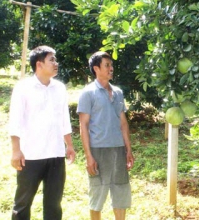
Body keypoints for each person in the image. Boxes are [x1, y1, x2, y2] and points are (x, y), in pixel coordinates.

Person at [9, 45, 76, 220]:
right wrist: (16, 150)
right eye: (51, 60)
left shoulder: (60, 88)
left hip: (55, 154)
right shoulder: (23, 88)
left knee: (54, 204)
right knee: (23, 203)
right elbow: (15, 120)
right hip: (30, 155)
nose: (56, 63)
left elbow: (64, 119)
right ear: (39, 64)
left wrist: (69, 145)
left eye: (55, 59)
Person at [77, 51, 134, 220]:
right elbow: (83, 126)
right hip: (98, 150)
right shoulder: (88, 93)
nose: (111, 68)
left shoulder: (118, 92)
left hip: (118, 150)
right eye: (107, 65)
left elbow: (123, 123)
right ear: (96, 68)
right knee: (97, 195)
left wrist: (128, 150)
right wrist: (89, 156)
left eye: (111, 65)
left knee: (121, 192)